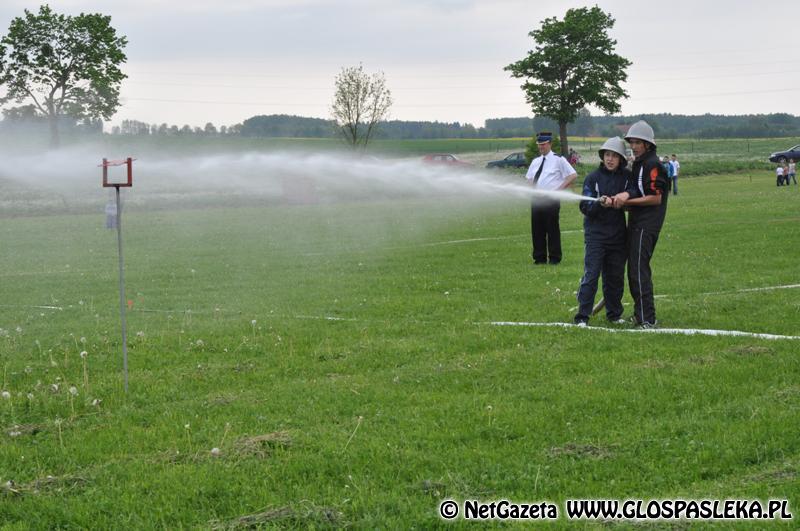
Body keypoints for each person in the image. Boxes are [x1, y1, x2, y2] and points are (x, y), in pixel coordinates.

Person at [610, 120, 670, 328]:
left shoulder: (653, 165)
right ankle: (640, 314)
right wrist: (619, 202)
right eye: (632, 142)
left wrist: (625, 202)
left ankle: (647, 318)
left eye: (638, 142)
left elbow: (655, 198)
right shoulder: (639, 164)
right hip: (636, 222)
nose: (634, 146)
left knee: (638, 269)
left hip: (647, 224)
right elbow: (637, 193)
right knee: (633, 270)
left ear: (647, 144)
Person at [573, 137, 633, 325]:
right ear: (602, 157)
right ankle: (582, 316)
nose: (610, 159)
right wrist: (600, 203)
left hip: (618, 236)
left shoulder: (627, 177)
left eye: (614, 156)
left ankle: (614, 315)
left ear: (621, 159)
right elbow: (585, 206)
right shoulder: (592, 179)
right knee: (591, 276)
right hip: (596, 236)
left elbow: (634, 193)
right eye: (607, 155)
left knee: (615, 277)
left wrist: (624, 199)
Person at [526, 131, 578, 265]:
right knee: (537, 229)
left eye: (543, 144)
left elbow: (572, 175)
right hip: (536, 199)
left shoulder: (558, 159)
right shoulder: (535, 161)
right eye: (539, 144)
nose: (540, 147)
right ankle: (539, 258)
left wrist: (559, 190)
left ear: (550, 144)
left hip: (551, 199)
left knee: (552, 229)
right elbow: (530, 178)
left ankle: (555, 258)